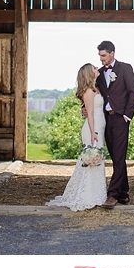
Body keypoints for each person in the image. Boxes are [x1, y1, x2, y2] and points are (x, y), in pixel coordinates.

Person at [46, 63, 108, 211]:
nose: (97, 69)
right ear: (89, 73)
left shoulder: (96, 88)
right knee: (91, 160)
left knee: (97, 161)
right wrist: (93, 132)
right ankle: (87, 196)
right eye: (94, 68)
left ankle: (97, 194)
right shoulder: (88, 91)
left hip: (100, 127)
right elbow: (90, 113)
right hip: (93, 130)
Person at [94, 40, 134, 209]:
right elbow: (94, 93)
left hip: (121, 118)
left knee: (119, 156)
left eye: (103, 55)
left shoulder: (125, 68)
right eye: (99, 56)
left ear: (112, 53)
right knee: (116, 156)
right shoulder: (99, 72)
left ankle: (112, 195)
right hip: (105, 120)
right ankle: (124, 193)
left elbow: (133, 93)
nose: (101, 59)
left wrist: (127, 116)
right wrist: (85, 107)